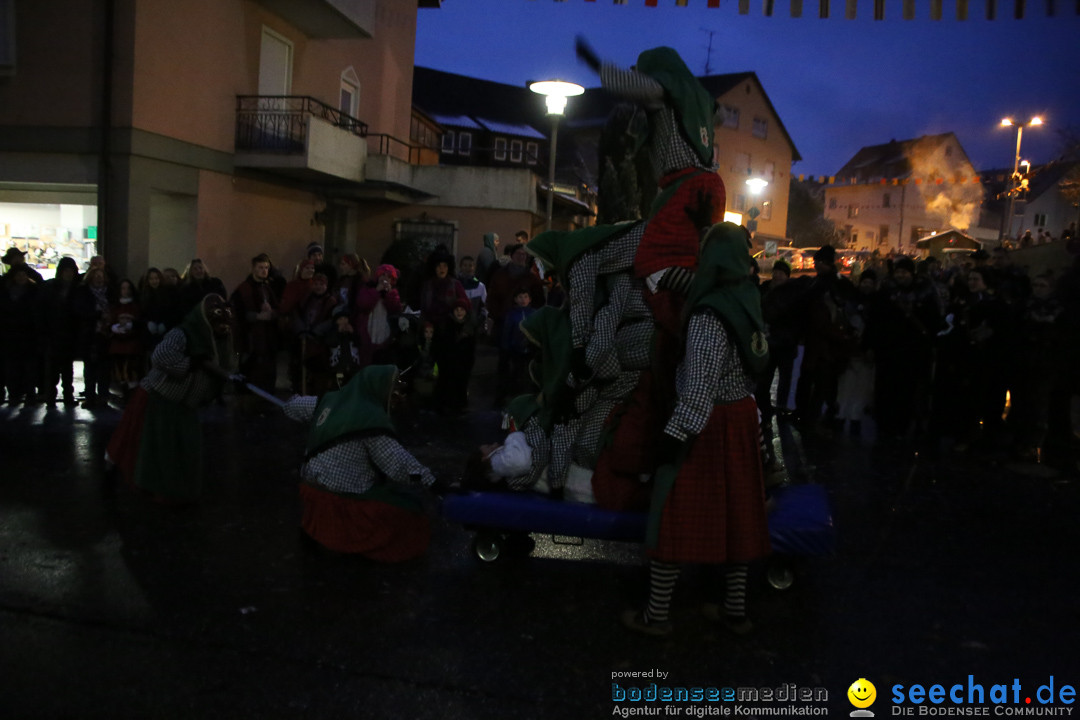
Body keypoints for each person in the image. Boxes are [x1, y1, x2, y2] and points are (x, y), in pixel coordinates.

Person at [622, 223, 770, 638]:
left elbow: (699, 387)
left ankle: (656, 615)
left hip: (708, 425)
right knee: (737, 517)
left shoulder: (711, 314)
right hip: (740, 417)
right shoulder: (748, 300)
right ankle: (735, 612)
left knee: (673, 514)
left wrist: (671, 440)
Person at [282, 365, 439, 562]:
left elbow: (292, 406)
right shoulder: (369, 419)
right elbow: (399, 464)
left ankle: (316, 533)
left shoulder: (328, 401)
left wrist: (293, 402)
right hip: (342, 496)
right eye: (393, 388)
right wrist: (431, 481)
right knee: (408, 507)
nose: (396, 395)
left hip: (311, 487)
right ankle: (355, 544)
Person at [105, 294, 236, 503]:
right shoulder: (182, 334)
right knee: (137, 443)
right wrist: (191, 362)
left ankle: (178, 489)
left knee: (184, 449)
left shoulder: (220, 342)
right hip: (157, 397)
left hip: (184, 404)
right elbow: (161, 356)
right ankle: (131, 479)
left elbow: (223, 368)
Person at [230, 253, 281, 401]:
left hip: (268, 339)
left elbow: (278, 310)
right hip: (251, 340)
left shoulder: (268, 288)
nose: (264, 271)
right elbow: (237, 313)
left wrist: (271, 313)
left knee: (268, 374)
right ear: (253, 268)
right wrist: (257, 316)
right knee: (251, 373)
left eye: (266, 268)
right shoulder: (243, 289)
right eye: (261, 268)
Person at [38, 256, 81, 407]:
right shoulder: (76, 289)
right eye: (67, 271)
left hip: (59, 334)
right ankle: (63, 396)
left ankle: (52, 397)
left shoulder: (50, 287)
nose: (69, 274)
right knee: (61, 369)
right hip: (61, 334)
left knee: (57, 369)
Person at [72, 267, 116, 408]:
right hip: (89, 333)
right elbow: (80, 311)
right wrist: (98, 315)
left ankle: (102, 395)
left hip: (106, 334)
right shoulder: (83, 292)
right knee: (90, 367)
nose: (99, 278)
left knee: (105, 367)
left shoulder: (110, 292)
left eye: (100, 275)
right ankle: (90, 396)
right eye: (96, 275)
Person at [0, 265, 41, 405]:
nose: (21, 277)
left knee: (24, 367)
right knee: (14, 367)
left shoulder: (8, 292)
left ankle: (23, 394)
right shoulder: (33, 291)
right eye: (19, 275)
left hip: (24, 335)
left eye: (23, 275)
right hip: (15, 335)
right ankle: (18, 394)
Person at [352, 264, 403, 368]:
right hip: (367, 333)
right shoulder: (367, 289)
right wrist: (376, 291)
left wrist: (389, 295)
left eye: (389, 276)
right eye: (383, 275)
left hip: (384, 334)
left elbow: (395, 309)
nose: (385, 278)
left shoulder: (393, 293)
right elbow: (363, 304)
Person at [433, 298, 478, 414]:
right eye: (457, 310)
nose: (459, 312)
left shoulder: (470, 327)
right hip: (448, 362)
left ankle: (460, 405)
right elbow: (441, 345)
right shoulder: (447, 325)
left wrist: (469, 362)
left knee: (461, 384)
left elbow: (472, 348)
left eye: (462, 310)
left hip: (463, 363)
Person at [108, 278, 143, 402]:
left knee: (131, 371)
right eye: (123, 288)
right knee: (119, 371)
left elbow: (139, 322)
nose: (125, 291)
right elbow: (110, 321)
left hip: (132, 345)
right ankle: (125, 394)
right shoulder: (115, 306)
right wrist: (115, 327)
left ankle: (132, 397)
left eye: (128, 288)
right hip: (117, 344)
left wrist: (131, 326)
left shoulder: (136, 306)